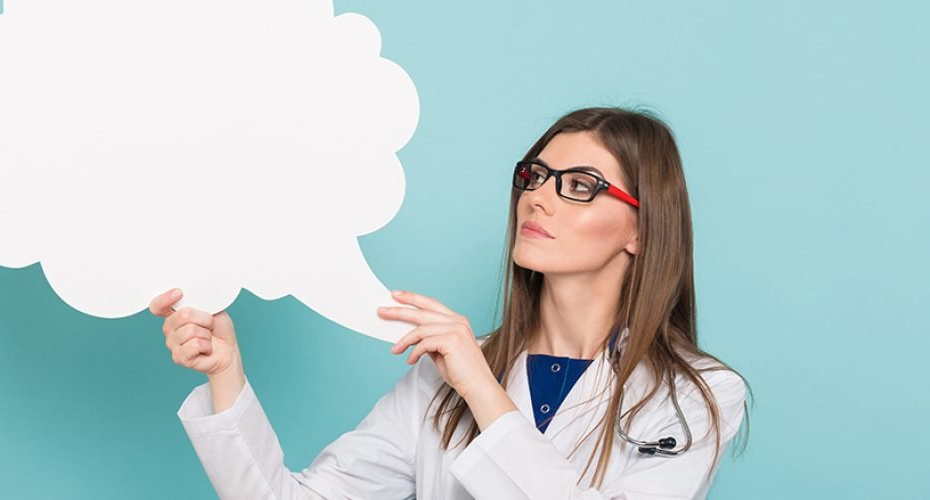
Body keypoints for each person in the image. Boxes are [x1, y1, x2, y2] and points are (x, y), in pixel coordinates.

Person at [148, 106, 751, 499]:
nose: (539, 198)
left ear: (642, 230)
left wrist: (481, 389)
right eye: (534, 176)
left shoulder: (696, 395)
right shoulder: (444, 377)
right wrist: (227, 374)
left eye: (581, 187)